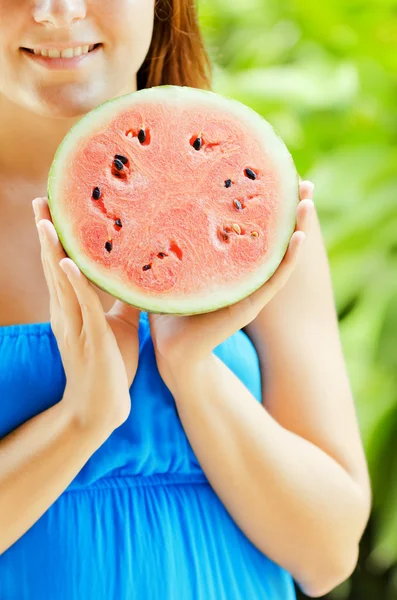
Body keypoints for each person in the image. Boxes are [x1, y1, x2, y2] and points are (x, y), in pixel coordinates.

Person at [0, 1, 372, 599]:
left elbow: (328, 554)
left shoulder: (250, 200)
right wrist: (80, 422)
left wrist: (192, 370)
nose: (59, 10)